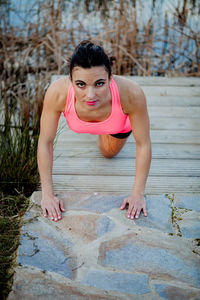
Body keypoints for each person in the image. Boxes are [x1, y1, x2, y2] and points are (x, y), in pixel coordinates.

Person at [37, 40, 152, 222]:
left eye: (99, 84)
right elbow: (45, 142)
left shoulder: (131, 93)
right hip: (91, 119)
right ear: (70, 80)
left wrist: (138, 194)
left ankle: (103, 132)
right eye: (81, 84)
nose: (90, 95)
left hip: (117, 126)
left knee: (107, 152)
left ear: (110, 78)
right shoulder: (57, 93)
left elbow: (143, 144)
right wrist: (47, 194)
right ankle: (99, 129)